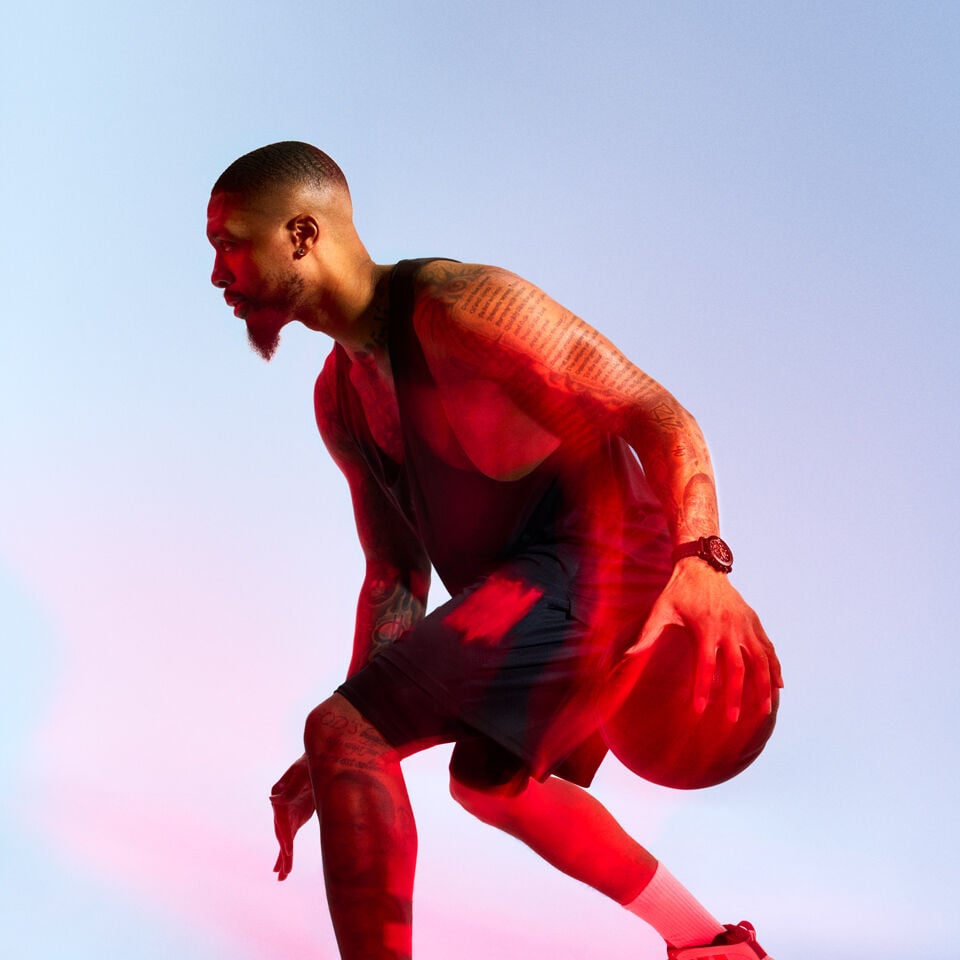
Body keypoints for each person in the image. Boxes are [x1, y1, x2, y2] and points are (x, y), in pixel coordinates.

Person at [207, 141, 783, 960]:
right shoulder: (339, 401)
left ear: (301, 233)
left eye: (230, 244)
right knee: (490, 786)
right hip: (537, 590)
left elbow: (653, 409)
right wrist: (346, 734)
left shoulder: (460, 307)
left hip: (614, 568)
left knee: (355, 734)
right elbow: (395, 577)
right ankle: (711, 946)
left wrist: (702, 558)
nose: (219, 275)